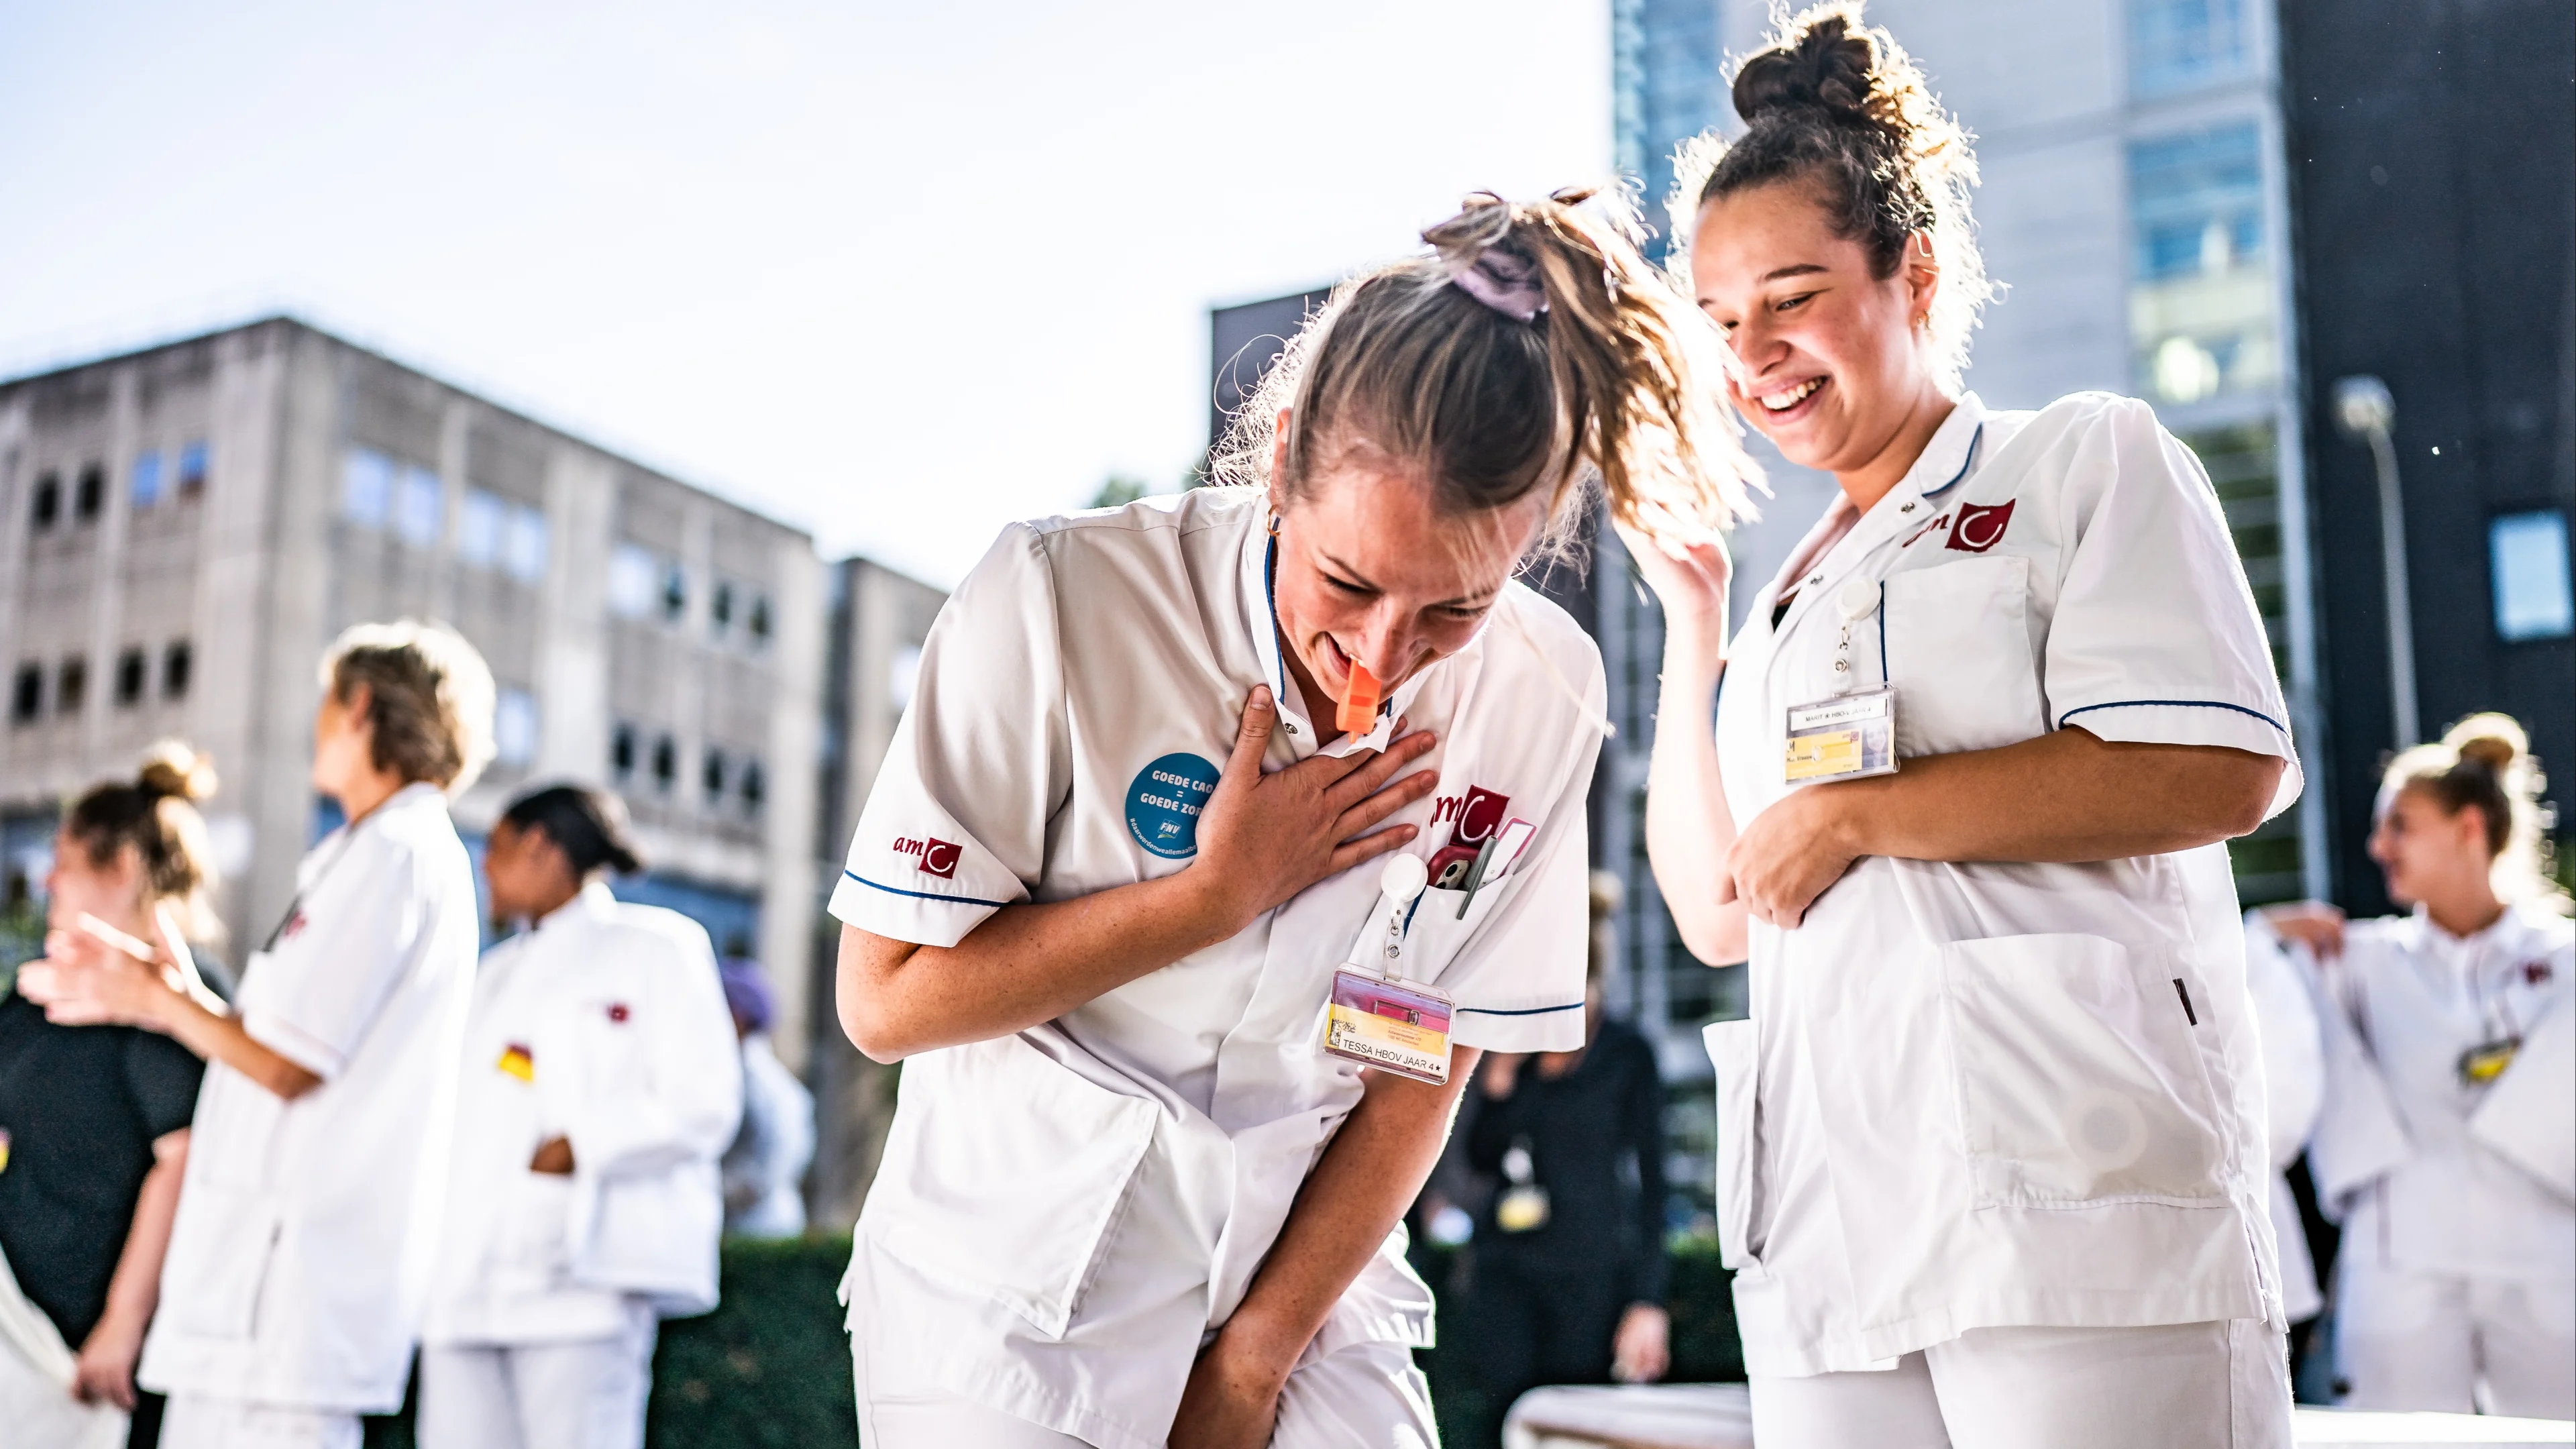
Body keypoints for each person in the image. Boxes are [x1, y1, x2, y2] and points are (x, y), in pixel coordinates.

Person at [830, 187, 1750, 1448]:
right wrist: (1211, 898)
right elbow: (886, 1001)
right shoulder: (1057, 598)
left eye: (1456, 608)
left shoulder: (1545, 690)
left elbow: (1428, 1058)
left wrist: (1256, 1362)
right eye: (1348, 582)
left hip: (1308, 1270)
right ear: (1279, 467)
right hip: (1012, 1284)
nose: (1382, 653)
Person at [1629, 8, 2303, 1446]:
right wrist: (1694, 630)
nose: (1755, 352)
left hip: (2077, 1210)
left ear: (1914, 274)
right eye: (1723, 320)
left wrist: (1858, 814)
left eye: (1794, 296)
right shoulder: (1780, 607)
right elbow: (1719, 913)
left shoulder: (2079, 461)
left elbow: (2218, 766)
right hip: (1829, 1239)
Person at [21, 620, 494, 1449]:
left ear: (360, 706)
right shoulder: (378, 854)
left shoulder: (395, 854)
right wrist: (174, 996)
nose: (315, 724)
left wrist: (155, 1000)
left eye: (325, 702)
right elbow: (278, 1041)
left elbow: (290, 1066)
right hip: (264, 1307)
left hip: (287, 1301)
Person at [2251, 713, 2573, 1418]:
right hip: (2399, 1267)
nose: (2378, 847)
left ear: (2469, 829)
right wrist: (2267, 930)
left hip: (2548, 1266)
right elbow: (2234, 981)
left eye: (2400, 826)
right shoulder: (2353, 962)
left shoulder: (2566, 962)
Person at [418, 784, 742, 1449]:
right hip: (462, 1283)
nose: (485, 867)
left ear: (541, 846)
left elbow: (704, 1102)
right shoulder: (493, 973)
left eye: (497, 848)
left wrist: (574, 1147)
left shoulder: (657, 947)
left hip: (582, 1284)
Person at [0, 745, 221, 1449]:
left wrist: (124, 1320)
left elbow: (183, 1158)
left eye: (63, 861)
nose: (48, 880)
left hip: (97, 1354)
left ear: (120, 867)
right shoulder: (38, 992)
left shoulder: (179, 1001)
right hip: (19, 1324)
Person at [1459, 871, 1670, 1445]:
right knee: (1505, 1424)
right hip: (1508, 1272)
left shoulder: (1627, 1055)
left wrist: (1648, 1300)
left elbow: (1655, 1184)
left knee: (1578, 1428)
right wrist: (1499, 1083)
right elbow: (1480, 1157)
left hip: (1591, 1276)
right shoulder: (1516, 1051)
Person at [718, 959, 815, 1240]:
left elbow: (770, 1167)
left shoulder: (757, 1079)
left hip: (757, 1229)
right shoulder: (744, 1069)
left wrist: (711, 1189)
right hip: (759, 1223)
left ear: (737, 1017)